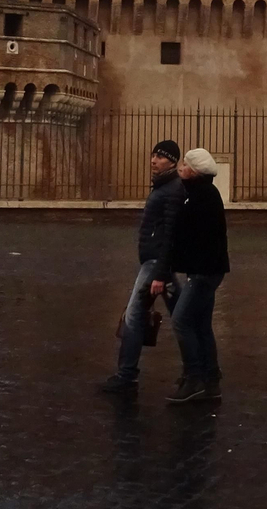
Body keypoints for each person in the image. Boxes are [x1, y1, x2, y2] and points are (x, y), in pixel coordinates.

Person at [100, 139, 186, 394]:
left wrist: (159, 270)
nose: (153, 160)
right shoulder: (164, 187)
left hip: (155, 263)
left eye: (160, 157)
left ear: (172, 161)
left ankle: (127, 376)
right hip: (159, 263)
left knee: (134, 317)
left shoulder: (171, 190)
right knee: (183, 317)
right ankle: (197, 370)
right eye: (153, 155)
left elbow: (169, 233)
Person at [156, 147, 228, 404]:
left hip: (203, 272)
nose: (180, 168)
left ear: (194, 171)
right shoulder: (202, 193)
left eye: (185, 166)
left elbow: (186, 237)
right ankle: (211, 380)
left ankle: (194, 376)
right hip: (208, 270)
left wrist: (166, 269)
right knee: (201, 325)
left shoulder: (201, 196)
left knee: (181, 321)